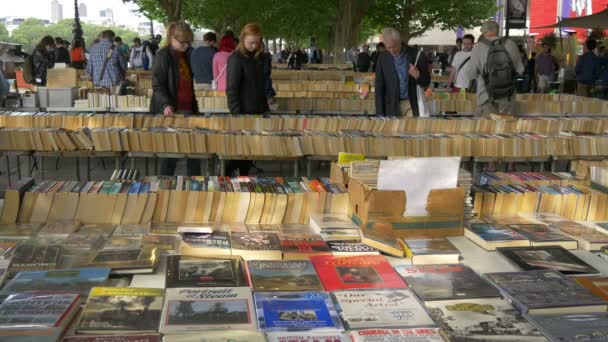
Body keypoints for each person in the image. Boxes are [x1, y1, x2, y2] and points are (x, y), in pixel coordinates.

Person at [150, 21, 199, 176]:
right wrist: (165, 104)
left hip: (188, 109)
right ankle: (165, 187)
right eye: (182, 42)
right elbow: (158, 85)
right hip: (171, 110)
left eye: (189, 42)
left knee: (194, 152)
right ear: (172, 38)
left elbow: (188, 84)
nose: (186, 45)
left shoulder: (186, 55)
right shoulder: (162, 56)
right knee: (170, 154)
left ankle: (195, 185)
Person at [226, 23, 270, 176]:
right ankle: (229, 172)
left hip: (258, 109)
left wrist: (266, 104)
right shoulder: (236, 58)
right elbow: (231, 89)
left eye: (257, 42)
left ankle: (244, 176)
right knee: (241, 149)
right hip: (243, 111)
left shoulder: (261, 57)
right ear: (243, 39)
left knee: (250, 149)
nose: (254, 45)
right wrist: (236, 114)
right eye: (251, 42)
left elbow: (263, 82)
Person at [464, 21, 524, 116]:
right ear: (497, 30)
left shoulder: (478, 47)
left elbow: (471, 74)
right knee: (507, 129)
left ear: (484, 32)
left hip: (486, 97)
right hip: (508, 97)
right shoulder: (511, 44)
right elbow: (520, 70)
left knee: (487, 129)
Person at [375, 27, 430, 117]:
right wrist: (380, 113)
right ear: (384, 45)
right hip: (391, 107)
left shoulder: (416, 55)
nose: (392, 51)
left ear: (400, 41)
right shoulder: (383, 58)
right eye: (389, 48)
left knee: (410, 130)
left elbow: (426, 83)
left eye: (394, 46)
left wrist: (418, 76)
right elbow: (379, 86)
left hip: (412, 104)